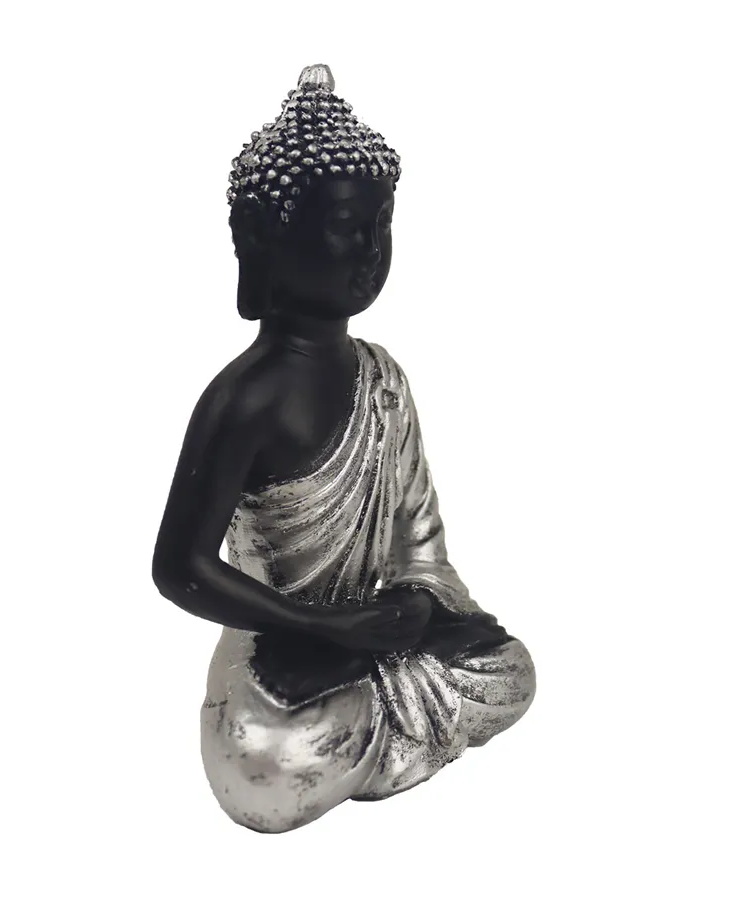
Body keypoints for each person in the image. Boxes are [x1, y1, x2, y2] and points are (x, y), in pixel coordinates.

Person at [152, 64, 536, 833]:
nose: (368, 246)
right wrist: (319, 627)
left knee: (512, 670)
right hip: (278, 646)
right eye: (344, 224)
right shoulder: (244, 398)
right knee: (266, 769)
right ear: (267, 238)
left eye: (381, 223)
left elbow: (420, 542)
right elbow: (180, 568)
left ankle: (370, 737)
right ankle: (375, 739)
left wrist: (417, 604)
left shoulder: (382, 377)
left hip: (374, 637)